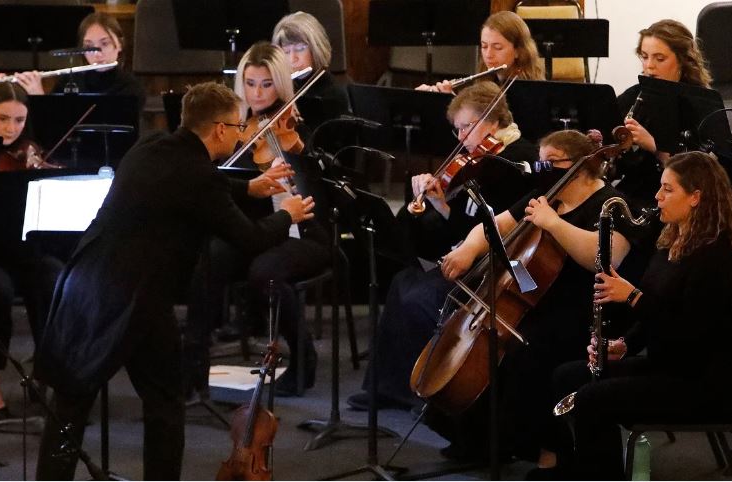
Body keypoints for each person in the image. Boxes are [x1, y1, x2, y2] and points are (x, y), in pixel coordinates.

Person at [32, 82, 313, 480]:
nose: (240, 134)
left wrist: (248, 186)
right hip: (129, 298)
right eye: (236, 126)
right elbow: (250, 237)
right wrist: (288, 213)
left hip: (88, 280)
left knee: (78, 402)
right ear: (218, 129)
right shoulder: (199, 176)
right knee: (150, 404)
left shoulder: (152, 147)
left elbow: (195, 184)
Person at [432, 129, 644, 463]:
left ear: (579, 165)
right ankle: (478, 439)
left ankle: (526, 444)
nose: (542, 169)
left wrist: (555, 224)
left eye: (550, 163)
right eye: (541, 162)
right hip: (534, 295)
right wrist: (469, 250)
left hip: (583, 308)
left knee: (523, 351)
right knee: (491, 340)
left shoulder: (610, 205)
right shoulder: (548, 194)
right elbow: (496, 225)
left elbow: (605, 256)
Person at [532, 151, 732, 479]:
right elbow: (658, 313)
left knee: (592, 399)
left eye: (667, 189)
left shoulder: (716, 256)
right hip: (668, 364)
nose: (657, 197)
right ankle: (571, 467)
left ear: (696, 197)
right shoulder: (672, 241)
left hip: (700, 382)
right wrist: (624, 345)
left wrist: (631, 297)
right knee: (567, 376)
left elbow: (690, 332)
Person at [346, 81, 534, 411]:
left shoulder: (518, 159)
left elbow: (505, 225)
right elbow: (461, 226)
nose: (460, 138)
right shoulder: (476, 160)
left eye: (466, 127)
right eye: (456, 129)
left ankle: (434, 389)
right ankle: (389, 387)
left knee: (424, 296)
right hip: (468, 252)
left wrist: (461, 230)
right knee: (402, 282)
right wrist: (441, 205)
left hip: (498, 262)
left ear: (492, 122)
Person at [184, 42, 328, 399]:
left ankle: (303, 357)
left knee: (266, 271)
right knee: (208, 258)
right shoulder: (234, 130)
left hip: (301, 232)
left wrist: (297, 151)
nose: (258, 93)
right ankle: (193, 367)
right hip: (254, 233)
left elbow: (311, 196)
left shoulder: (296, 129)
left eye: (267, 84)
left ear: (281, 85)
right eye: (250, 84)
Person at [0, 83, 64, 421]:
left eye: (19, 120)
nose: (10, 128)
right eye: (2, 118)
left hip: (25, 253)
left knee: (57, 279)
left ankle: (47, 374)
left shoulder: (31, 154)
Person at [613, 19, 713, 203]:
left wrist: (653, 145)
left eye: (660, 58)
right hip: (633, 190)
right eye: (644, 56)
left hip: (677, 199)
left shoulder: (700, 103)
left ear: (682, 61)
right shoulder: (633, 96)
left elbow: (699, 182)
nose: (649, 65)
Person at [0, 12, 145, 110]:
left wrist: (41, 99)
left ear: (120, 45)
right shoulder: (69, 81)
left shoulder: (131, 88)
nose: (97, 53)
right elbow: (50, 130)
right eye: (89, 46)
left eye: (104, 43)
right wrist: (4, 90)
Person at [416, 11, 544, 93]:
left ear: (518, 51)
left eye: (497, 47)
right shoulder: (485, 82)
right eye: (484, 46)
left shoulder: (532, 91)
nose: (488, 54)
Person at [272, 11, 351, 139]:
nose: (293, 58)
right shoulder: (281, 86)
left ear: (316, 49)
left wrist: (297, 122)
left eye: (300, 49)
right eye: (286, 51)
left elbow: (322, 149)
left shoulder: (331, 95)